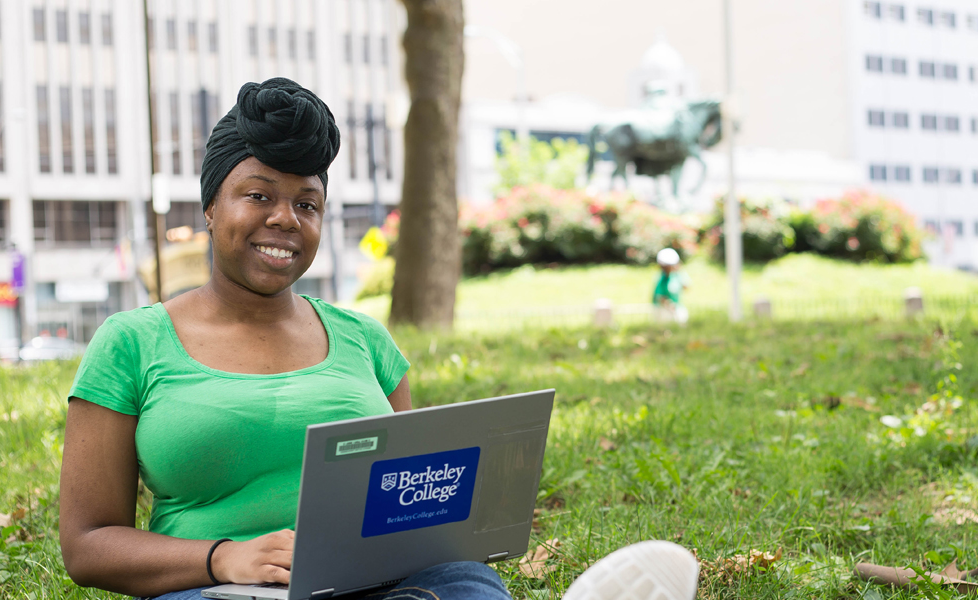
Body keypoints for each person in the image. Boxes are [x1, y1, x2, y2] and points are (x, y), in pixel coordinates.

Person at [58, 77, 698, 600]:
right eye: (258, 196)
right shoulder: (133, 342)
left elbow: (413, 506)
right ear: (210, 208)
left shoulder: (363, 339)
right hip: (217, 591)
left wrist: (469, 515)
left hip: (397, 585)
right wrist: (223, 558)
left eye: (307, 204)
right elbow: (87, 544)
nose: (285, 218)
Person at [651, 248, 690, 324]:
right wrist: (669, 305)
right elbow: (659, 297)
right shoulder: (661, 278)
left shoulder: (677, 275)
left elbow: (686, 287)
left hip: (676, 306)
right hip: (663, 309)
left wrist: (680, 272)